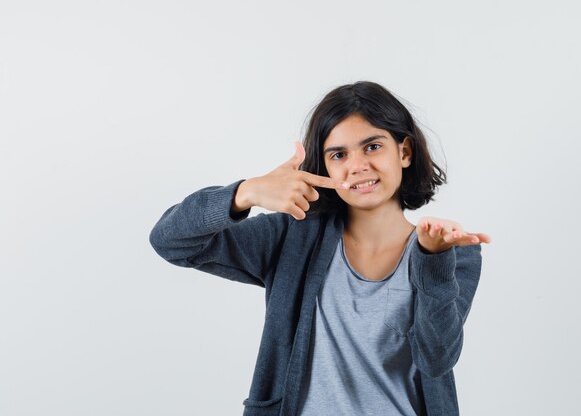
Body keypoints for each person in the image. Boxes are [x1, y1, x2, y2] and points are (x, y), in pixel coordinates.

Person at [149, 80, 491, 416]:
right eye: (339, 154)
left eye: (373, 146)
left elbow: (436, 358)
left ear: (404, 152)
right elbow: (170, 241)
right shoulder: (291, 237)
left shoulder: (454, 254)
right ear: (324, 165)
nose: (357, 165)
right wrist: (247, 192)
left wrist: (433, 259)